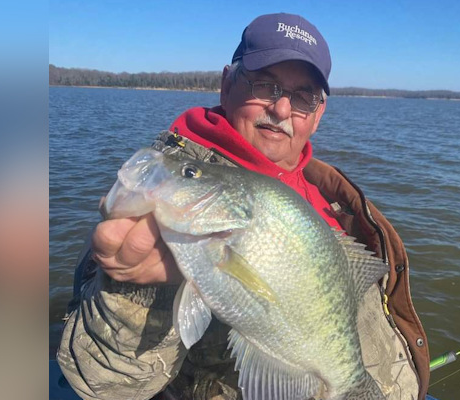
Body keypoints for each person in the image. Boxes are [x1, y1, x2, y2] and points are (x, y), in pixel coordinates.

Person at [58, 13, 429, 400]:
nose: (282, 110)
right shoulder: (157, 194)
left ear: (317, 116)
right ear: (226, 85)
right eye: (266, 85)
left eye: (303, 97)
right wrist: (133, 292)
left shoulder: (330, 190)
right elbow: (104, 382)